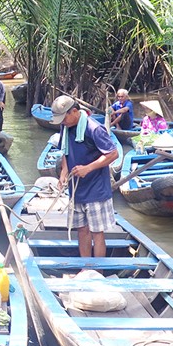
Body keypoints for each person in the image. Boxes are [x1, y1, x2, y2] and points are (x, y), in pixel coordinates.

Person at [51, 95, 119, 259]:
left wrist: (88, 168)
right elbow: (66, 152)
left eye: (63, 118)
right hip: (77, 189)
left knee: (97, 232)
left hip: (96, 189)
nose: (62, 122)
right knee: (82, 229)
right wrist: (63, 173)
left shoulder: (94, 128)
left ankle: (98, 272)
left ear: (74, 111)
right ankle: (86, 267)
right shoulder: (66, 127)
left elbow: (113, 153)